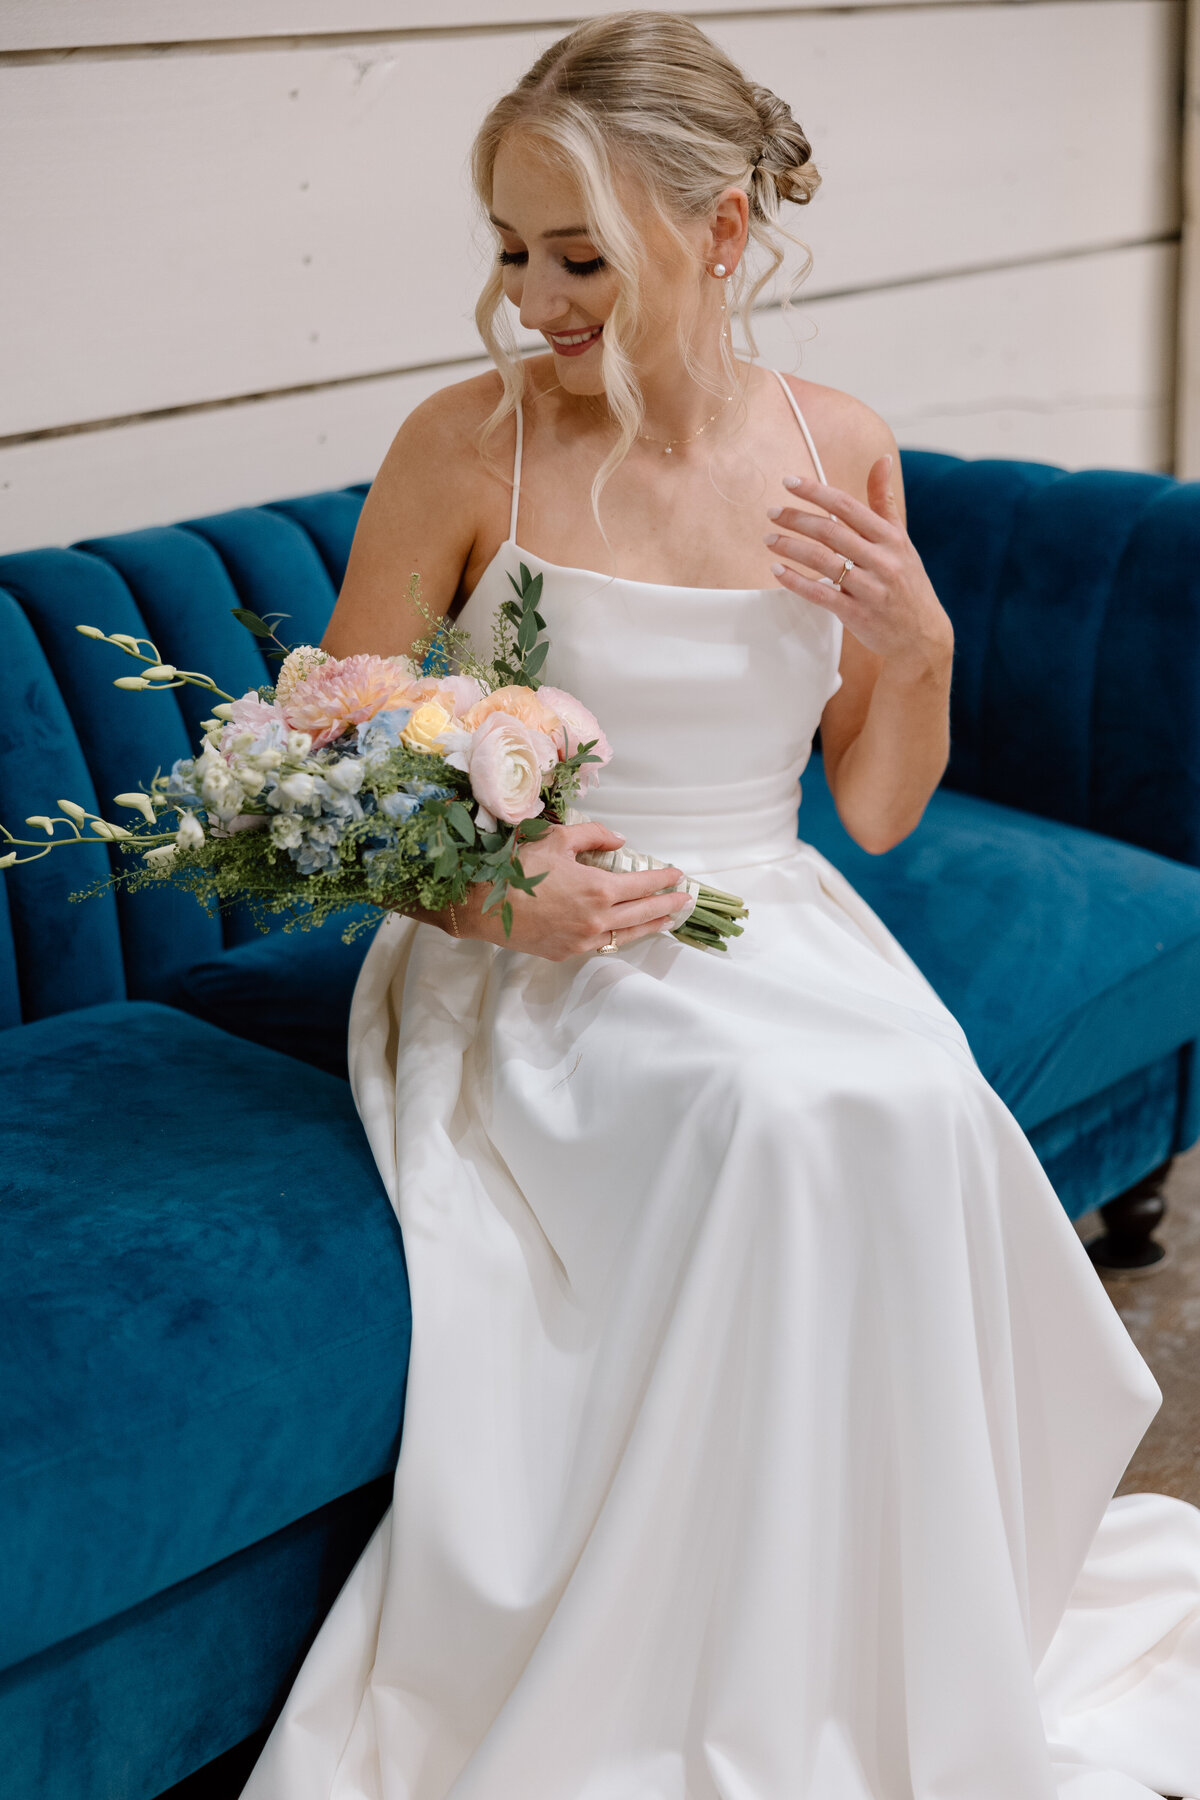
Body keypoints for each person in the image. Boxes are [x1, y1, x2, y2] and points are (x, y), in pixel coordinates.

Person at [241, 13, 1200, 1797]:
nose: (533, 296)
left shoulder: (838, 444)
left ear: (726, 230)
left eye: (578, 254)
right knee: (784, 1119)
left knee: (911, 1107)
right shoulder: (470, 445)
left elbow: (878, 807)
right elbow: (335, 760)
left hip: (773, 915)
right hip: (534, 947)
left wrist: (920, 651)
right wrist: (486, 896)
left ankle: (876, 1646)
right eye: (512, 249)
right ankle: (717, 1691)